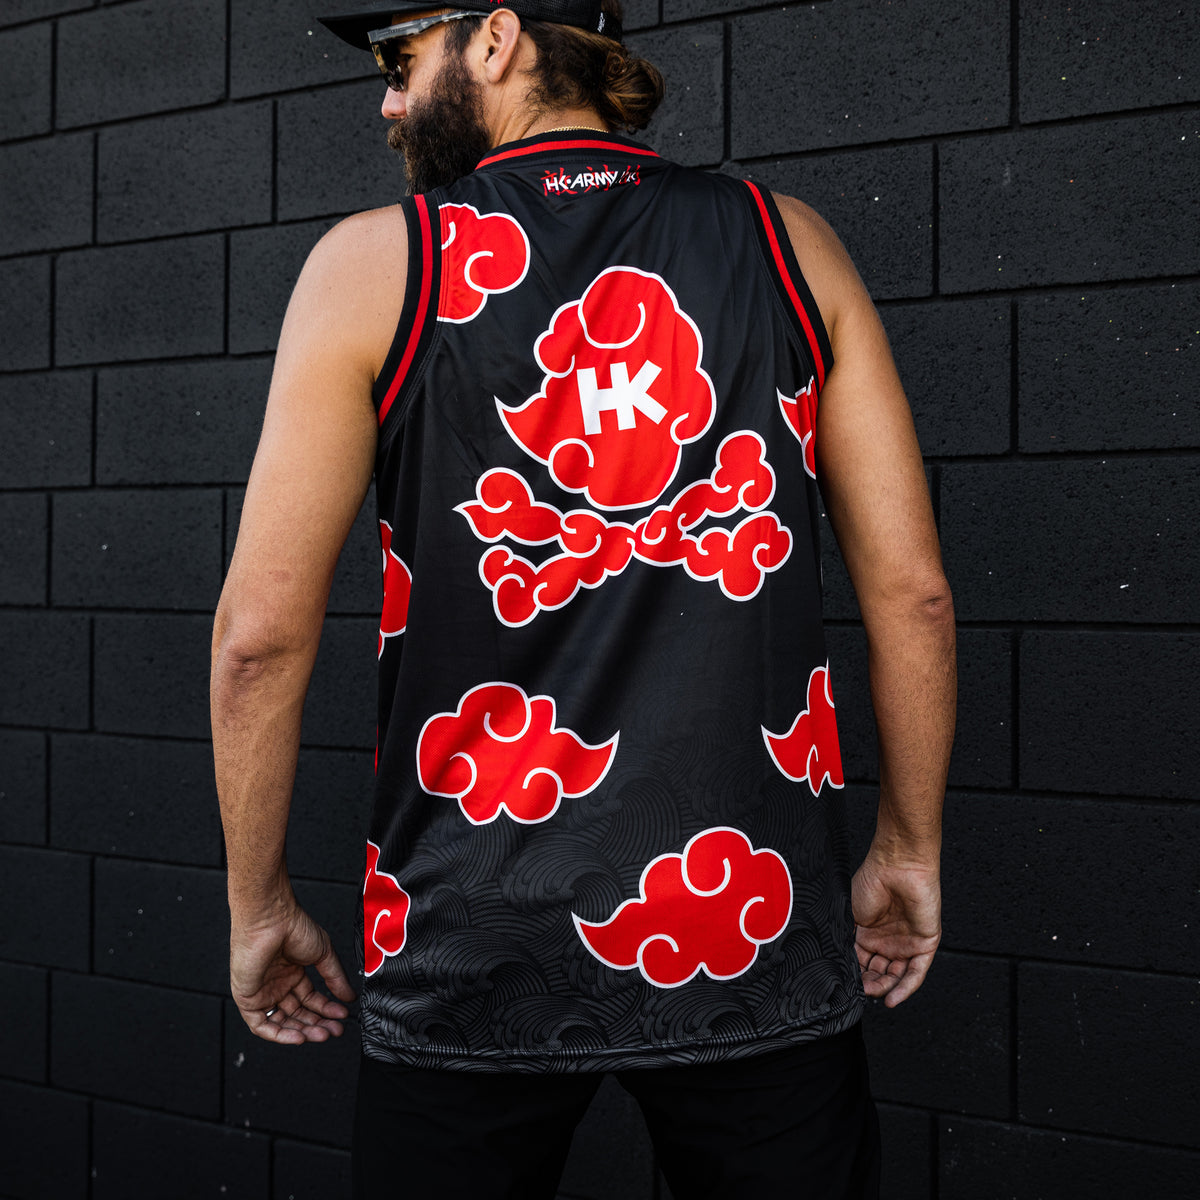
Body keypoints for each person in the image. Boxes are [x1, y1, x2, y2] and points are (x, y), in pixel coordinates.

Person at [210, 2, 956, 1196]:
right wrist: (908, 848)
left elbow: (259, 638)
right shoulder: (788, 244)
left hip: (466, 929)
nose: (389, 100)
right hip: (752, 920)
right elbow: (912, 595)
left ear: (495, 39)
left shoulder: (374, 267)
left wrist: (258, 907)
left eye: (402, 60)